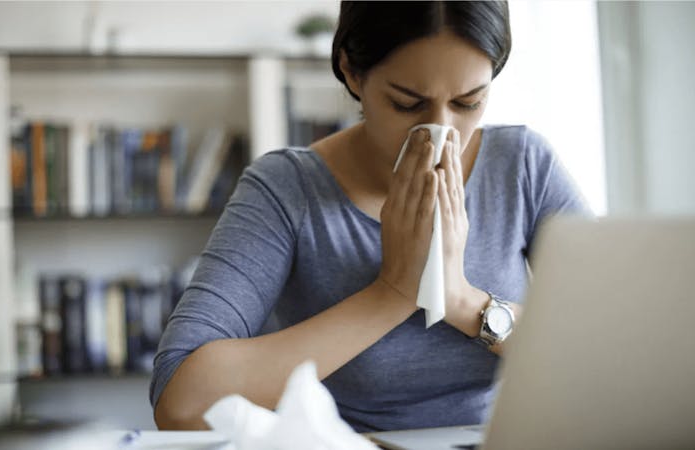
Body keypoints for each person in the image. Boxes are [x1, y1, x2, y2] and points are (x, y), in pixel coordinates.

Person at [150, 1, 588, 432]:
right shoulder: (287, 188)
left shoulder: (524, 166)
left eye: (468, 102)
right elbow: (180, 401)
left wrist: (461, 301)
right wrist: (393, 292)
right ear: (353, 72)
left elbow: (614, 351)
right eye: (407, 104)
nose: (441, 135)